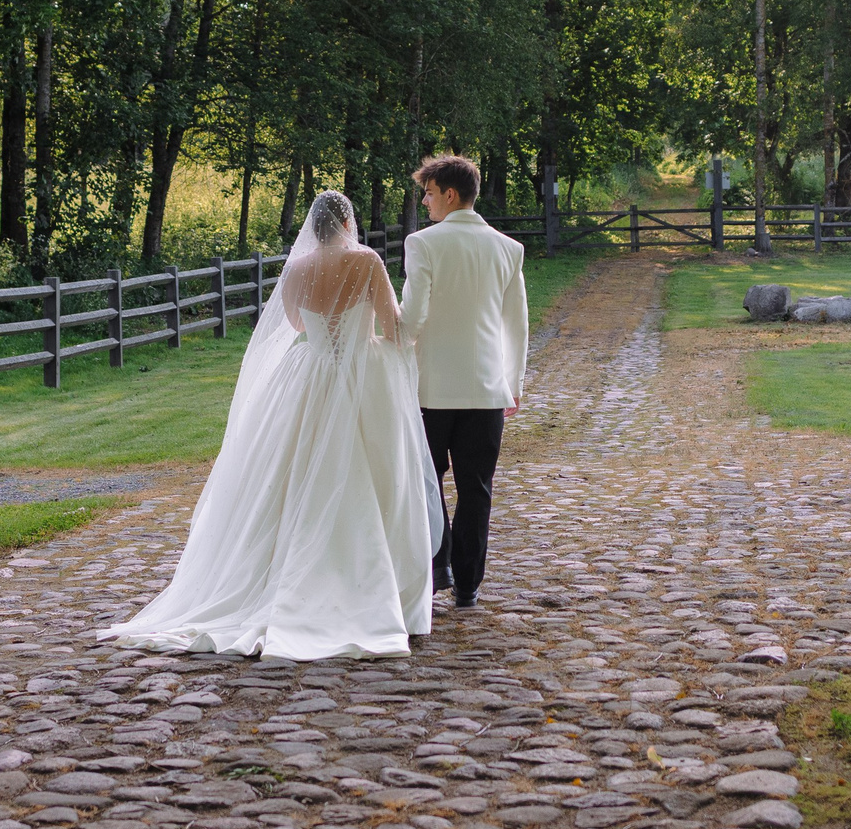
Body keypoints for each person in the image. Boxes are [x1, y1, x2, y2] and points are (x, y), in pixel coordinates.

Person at [98, 191, 439, 660]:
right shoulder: (367, 261)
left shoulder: (296, 269)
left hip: (310, 374)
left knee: (294, 471)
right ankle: (373, 581)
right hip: (361, 374)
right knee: (378, 472)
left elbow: (297, 323)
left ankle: (285, 570)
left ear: (313, 228)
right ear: (347, 223)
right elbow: (392, 326)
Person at [398, 153, 529, 609]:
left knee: (425, 481)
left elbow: (413, 318)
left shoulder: (423, 243)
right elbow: (516, 325)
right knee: (477, 489)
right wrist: (513, 382)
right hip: (487, 389)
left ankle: (440, 564)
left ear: (450, 194)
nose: (425, 202)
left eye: (429, 193)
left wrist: (389, 343)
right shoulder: (508, 248)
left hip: (430, 390)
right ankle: (469, 585)